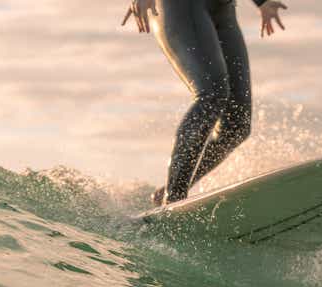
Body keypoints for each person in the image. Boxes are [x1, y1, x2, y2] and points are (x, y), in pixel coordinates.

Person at [122, 0, 288, 206]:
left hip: (223, 11)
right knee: (211, 94)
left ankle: (167, 193)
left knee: (236, 125)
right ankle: (174, 200)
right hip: (179, 8)